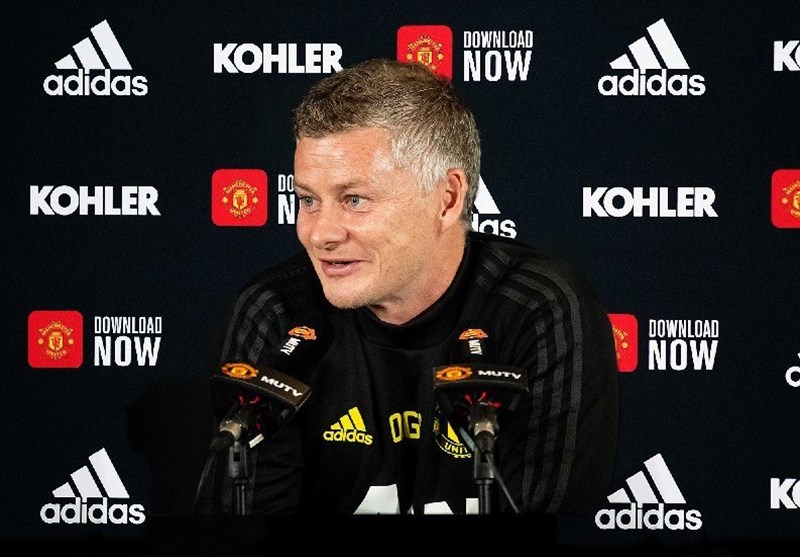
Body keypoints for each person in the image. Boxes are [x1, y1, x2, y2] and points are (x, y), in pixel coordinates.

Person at [203, 58, 618, 516]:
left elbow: (546, 528)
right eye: (308, 200)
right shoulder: (276, 311)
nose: (320, 234)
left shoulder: (541, 311)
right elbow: (245, 530)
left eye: (354, 199)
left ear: (447, 199)